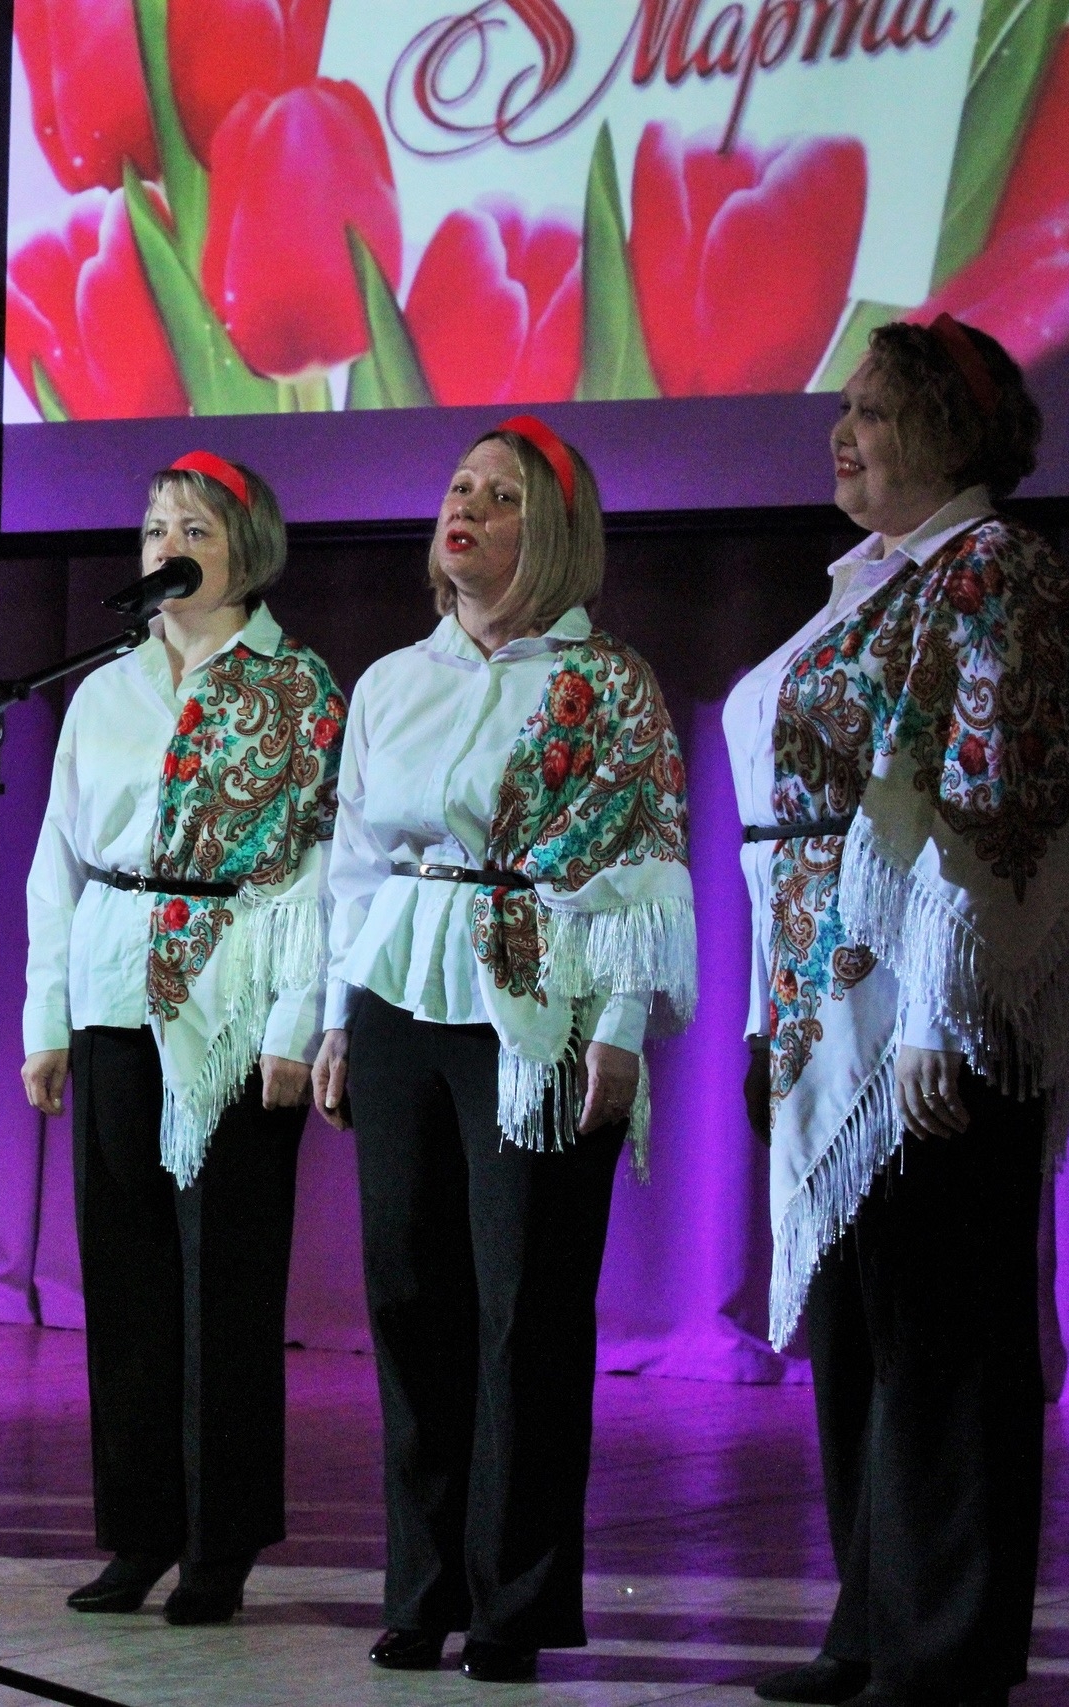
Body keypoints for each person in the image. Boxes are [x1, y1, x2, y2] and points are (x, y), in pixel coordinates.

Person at [729, 317, 1069, 1707]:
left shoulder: (996, 573)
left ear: (954, 432)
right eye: (841, 409)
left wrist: (937, 1011)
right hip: (822, 1017)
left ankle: (946, 1649)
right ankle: (874, 1626)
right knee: (863, 1340)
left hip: (924, 1026)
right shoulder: (873, 581)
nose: (843, 434)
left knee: (948, 1346)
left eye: (876, 412)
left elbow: (993, 806)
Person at [312, 417, 696, 1680]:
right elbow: (352, 864)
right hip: (397, 997)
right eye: (457, 486)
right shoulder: (390, 681)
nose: (464, 505)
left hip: (538, 1003)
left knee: (521, 1305)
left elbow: (642, 867)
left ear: (554, 534)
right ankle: (419, 1588)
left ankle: (515, 1601)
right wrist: (329, 1015)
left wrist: (624, 1031)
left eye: (500, 493)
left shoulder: (609, 685)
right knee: (409, 1296)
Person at [19, 452, 344, 1625]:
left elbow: (317, 870)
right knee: (128, 1283)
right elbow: (55, 859)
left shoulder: (297, 686)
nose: (163, 539)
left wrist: (297, 1026)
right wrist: (43, 1019)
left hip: (233, 1006)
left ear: (242, 545)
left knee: (226, 1285)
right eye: (152, 521)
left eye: (190, 523)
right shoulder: (104, 688)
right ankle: (137, 1530)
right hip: (111, 998)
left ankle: (220, 1539)